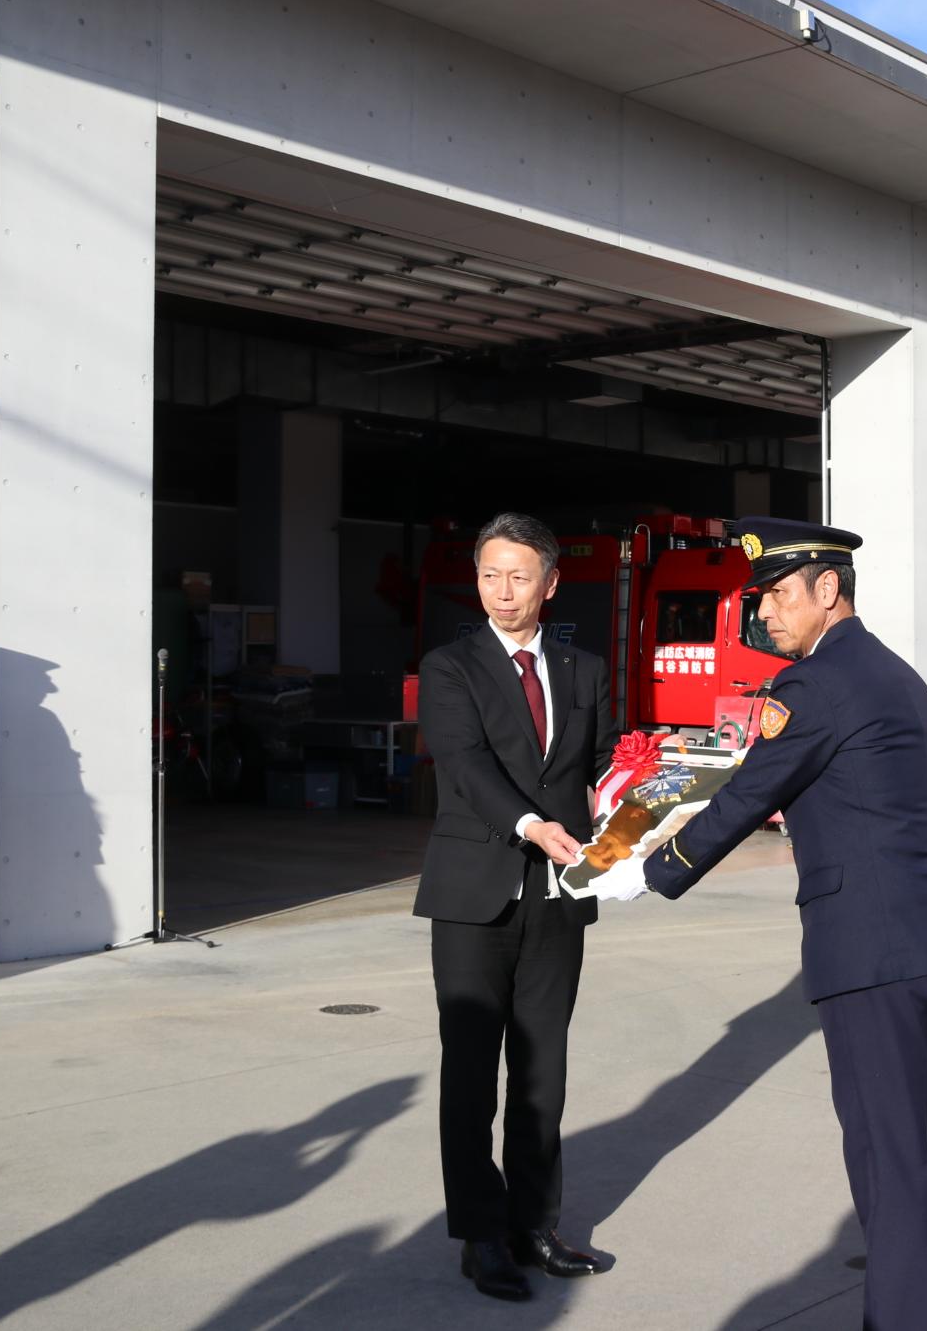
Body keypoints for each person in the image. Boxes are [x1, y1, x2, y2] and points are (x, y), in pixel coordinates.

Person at [604, 517, 927, 1331]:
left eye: (776, 594)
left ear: (826, 588)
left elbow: (745, 792)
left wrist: (646, 867)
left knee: (890, 1169)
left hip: (872, 952)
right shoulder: (897, 675)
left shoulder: (815, 685)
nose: (763, 613)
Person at [414, 513, 614, 1301]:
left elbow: (602, 764)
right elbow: (462, 764)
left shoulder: (584, 668)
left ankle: (536, 1224)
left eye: (519, 575)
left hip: (559, 897)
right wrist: (532, 824)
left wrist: (646, 800)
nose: (504, 591)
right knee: (472, 1075)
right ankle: (480, 1234)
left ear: (551, 583)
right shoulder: (450, 665)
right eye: (491, 574)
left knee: (543, 1069)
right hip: (473, 896)